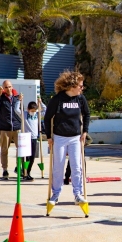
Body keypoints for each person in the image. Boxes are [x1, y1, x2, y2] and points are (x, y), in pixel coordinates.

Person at [44, 70, 90, 205]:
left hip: (75, 137)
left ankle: (78, 194)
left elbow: (86, 114)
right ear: (72, 86)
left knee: (77, 167)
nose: (82, 88)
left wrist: (85, 131)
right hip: (59, 137)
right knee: (58, 167)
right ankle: (55, 194)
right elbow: (47, 118)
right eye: (80, 86)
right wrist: (49, 137)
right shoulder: (57, 100)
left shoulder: (80, 99)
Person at [0, 80, 22, 180]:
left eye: (10, 86)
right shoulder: (1, 98)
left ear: (12, 87)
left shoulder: (17, 98)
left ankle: (18, 167)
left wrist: (20, 100)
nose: (8, 89)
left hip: (17, 128)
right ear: (3, 88)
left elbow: (20, 111)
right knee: (4, 150)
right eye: (6, 87)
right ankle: (5, 170)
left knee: (20, 150)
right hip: (5, 128)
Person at [20, 98, 47, 181]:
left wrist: (41, 102)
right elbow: (16, 109)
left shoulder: (37, 114)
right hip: (26, 137)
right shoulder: (24, 114)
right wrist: (19, 100)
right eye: (31, 110)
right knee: (26, 157)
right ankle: (25, 172)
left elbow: (45, 110)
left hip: (34, 138)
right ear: (28, 109)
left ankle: (28, 172)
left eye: (34, 110)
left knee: (32, 157)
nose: (33, 112)